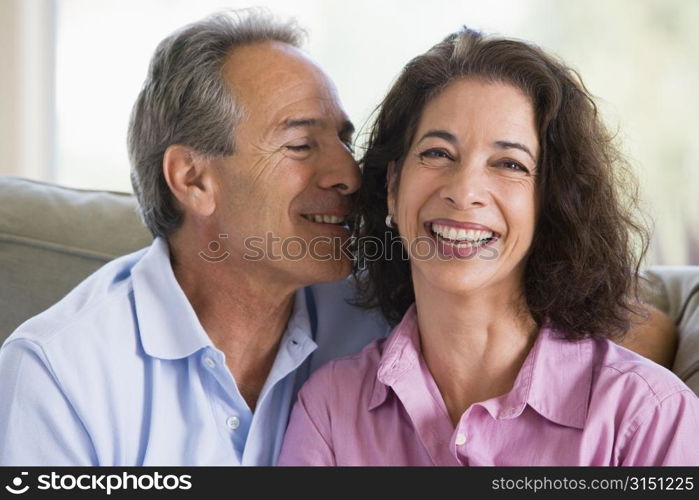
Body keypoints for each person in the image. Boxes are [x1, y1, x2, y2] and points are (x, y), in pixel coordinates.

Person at [0, 11, 678, 466]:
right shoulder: (59, 374)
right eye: (301, 144)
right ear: (193, 179)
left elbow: (616, 335)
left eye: (345, 141)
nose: (348, 174)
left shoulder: (373, 295)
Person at [278, 27, 699, 466]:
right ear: (392, 186)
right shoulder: (330, 406)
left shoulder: (650, 415)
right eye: (438, 153)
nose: (464, 192)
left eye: (509, 164)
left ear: (548, 203)